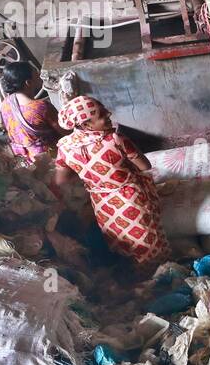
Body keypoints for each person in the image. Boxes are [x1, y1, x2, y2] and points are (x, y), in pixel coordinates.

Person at [54, 96, 170, 270]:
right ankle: (160, 274)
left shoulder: (64, 147)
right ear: (86, 125)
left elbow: (60, 180)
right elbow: (145, 166)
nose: (108, 115)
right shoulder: (114, 140)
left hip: (103, 204)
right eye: (101, 115)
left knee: (124, 244)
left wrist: (90, 175)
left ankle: (137, 279)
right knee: (148, 244)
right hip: (131, 200)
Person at [0, 61, 61, 164]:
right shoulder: (41, 106)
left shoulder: (5, 103)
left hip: (23, 158)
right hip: (45, 159)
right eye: (36, 74)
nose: (39, 76)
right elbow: (63, 130)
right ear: (28, 82)